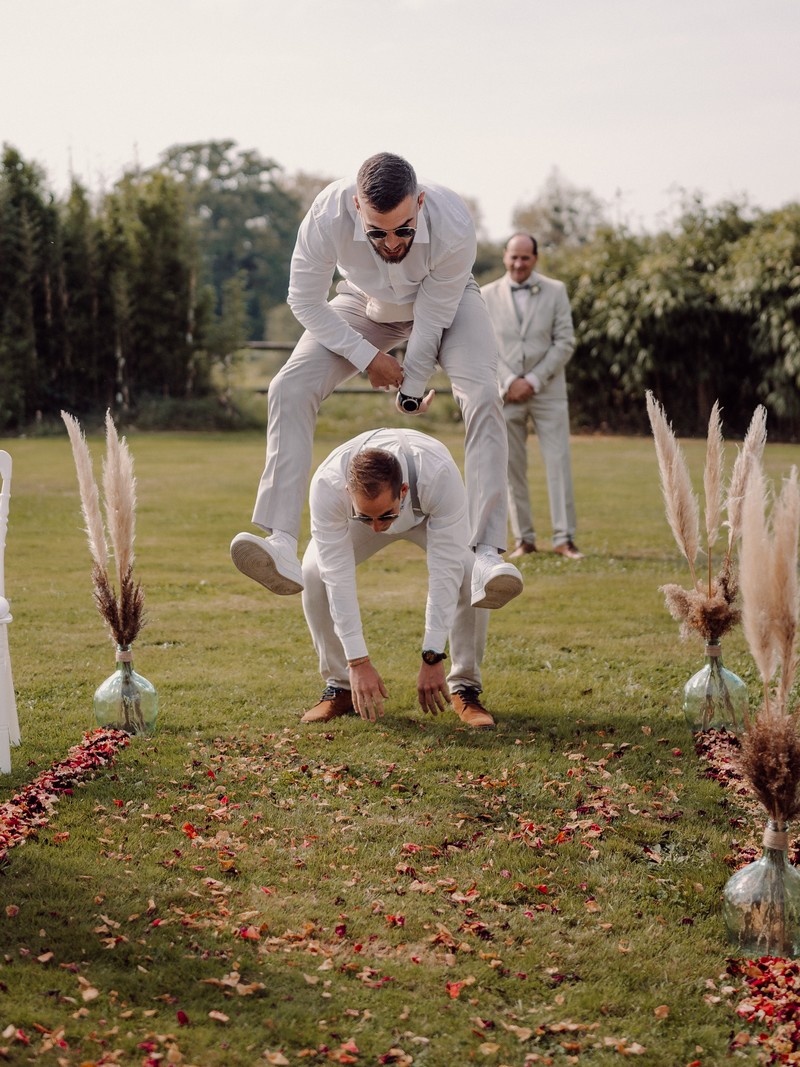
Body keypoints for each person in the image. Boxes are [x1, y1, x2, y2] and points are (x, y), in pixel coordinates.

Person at [230, 152, 522, 610]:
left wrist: (409, 389)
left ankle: (485, 555)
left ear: (420, 202)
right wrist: (368, 358)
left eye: (404, 229)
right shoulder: (327, 213)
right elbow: (304, 300)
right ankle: (282, 541)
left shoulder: (453, 222)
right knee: (287, 386)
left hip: (445, 303)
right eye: (377, 232)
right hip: (364, 305)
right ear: (354, 207)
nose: (391, 242)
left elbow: (431, 319)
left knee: (484, 395)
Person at [299, 427, 496, 729]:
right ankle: (341, 686)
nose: (377, 528)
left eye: (385, 516)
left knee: (470, 572)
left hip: (427, 514)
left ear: (402, 490)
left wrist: (432, 655)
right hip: (357, 516)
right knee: (313, 572)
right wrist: (358, 661)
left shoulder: (439, 474)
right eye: (367, 517)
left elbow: (446, 571)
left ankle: (465, 687)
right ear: (347, 493)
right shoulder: (327, 484)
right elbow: (335, 575)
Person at [481, 233, 583, 560]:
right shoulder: (485, 295)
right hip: (506, 392)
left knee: (558, 463)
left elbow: (565, 341)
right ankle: (523, 539)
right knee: (512, 468)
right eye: (513, 257)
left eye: (525, 258)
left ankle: (564, 538)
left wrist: (534, 380)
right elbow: (483, 345)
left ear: (535, 259)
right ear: (504, 257)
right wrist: (509, 380)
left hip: (548, 391)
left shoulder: (556, 290)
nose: (518, 263)